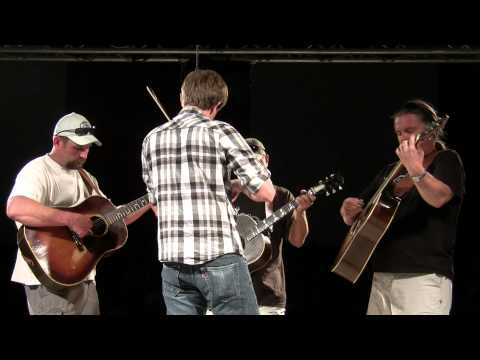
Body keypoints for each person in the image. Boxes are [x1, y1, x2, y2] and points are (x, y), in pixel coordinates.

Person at [141, 69, 276, 315]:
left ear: (183, 98)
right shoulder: (220, 131)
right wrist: (241, 182)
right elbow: (265, 192)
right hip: (219, 258)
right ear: (217, 105)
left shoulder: (151, 139)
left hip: (173, 264)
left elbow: (156, 205)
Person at [6, 112, 153, 315]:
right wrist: (71, 219)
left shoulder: (86, 177)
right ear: (57, 141)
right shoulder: (37, 170)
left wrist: (150, 198)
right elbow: (16, 208)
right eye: (78, 148)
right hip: (50, 282)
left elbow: (116, 218)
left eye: (87, 149)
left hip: (83, 278)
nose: (84, 155)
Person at [339, 99, 465, 315]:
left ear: (432, 132)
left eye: (410, 130)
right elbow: (361, 212)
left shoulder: (446, 159)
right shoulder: (390, 170)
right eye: (399, 133)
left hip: (422, 277)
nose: (403, 137)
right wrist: (347, 211)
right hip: (382, 275)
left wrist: (415, 168)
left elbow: (439, 198)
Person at [234, 138, 316, 315]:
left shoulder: (281, 196)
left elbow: (297, 241)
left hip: (268, 297)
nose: (253, 167)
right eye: (248, 162)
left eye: (258, 160)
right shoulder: (229, 193)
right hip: (227, 295)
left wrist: (301, 212)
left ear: (266, 160)